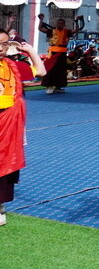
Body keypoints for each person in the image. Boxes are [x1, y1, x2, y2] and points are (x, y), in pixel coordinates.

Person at [0, 31, 46, 226]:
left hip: (9, 122)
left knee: (6, 161)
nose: (0, 48)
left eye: (4, 44)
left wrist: (30, 51)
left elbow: (41, 71)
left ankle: (0, 207)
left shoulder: (13, 66)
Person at [37, 13, 83, 93]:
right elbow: (40, 28)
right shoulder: (51, 31)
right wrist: (41, 20)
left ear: (64, 25)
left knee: (60, 71)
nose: (60, 25)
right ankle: (49, 86)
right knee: (50, 69)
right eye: (58, 23)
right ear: (56, 24)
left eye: (61, 23)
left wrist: (76, 21)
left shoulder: (67, 32)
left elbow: (76, 30)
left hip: (62, 53)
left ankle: (57, 87)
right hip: (53, 53)